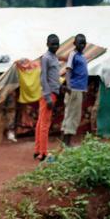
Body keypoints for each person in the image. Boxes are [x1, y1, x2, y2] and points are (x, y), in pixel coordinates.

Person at [34, 34, 61, 162]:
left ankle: (38, 150)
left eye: (57, 44)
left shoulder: (54, 57)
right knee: (45, 124)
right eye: (53, 44)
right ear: (47, 44)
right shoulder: (46, 58)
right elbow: (43, 77)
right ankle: (43, 153)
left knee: (41, 122)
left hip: (51, 93)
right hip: (48, 94)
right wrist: (48, 97)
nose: (55, 46)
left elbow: (53, 76)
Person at [62, 34, 88, 147]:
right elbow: (68, 70)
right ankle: (66, 143)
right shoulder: (73, 55)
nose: (82, 45)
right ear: (75, 44)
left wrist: (84, 90)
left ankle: (66, 143)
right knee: (71, 115)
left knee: (74, 115)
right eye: (80, 43)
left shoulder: (82, 56)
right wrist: (68, 85)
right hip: (74, 88)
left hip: (79, 89)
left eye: (84, 43)